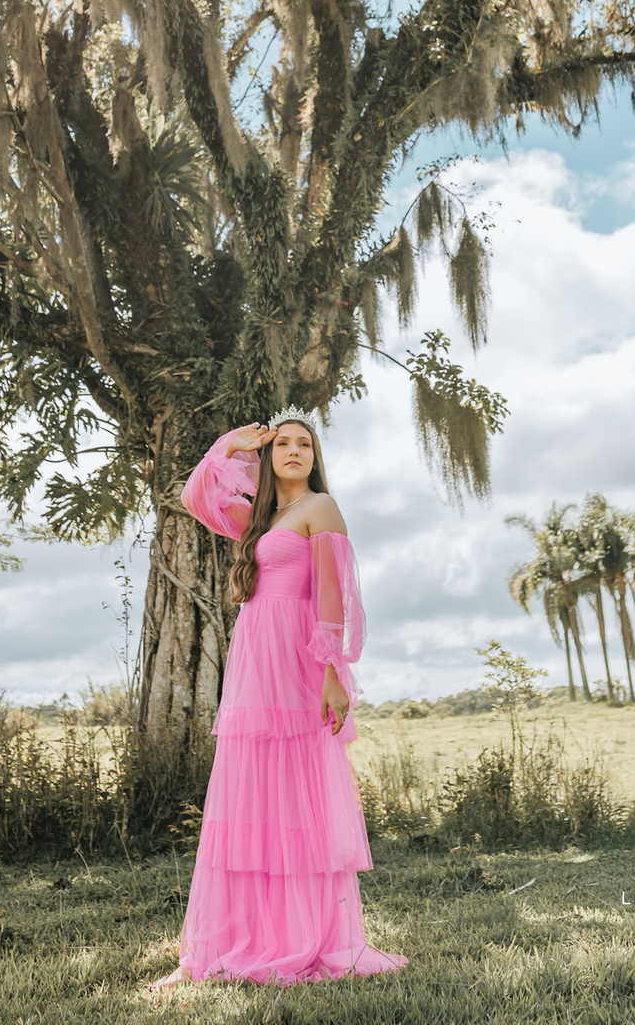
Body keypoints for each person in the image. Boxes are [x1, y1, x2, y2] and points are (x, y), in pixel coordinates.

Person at [151, 409, 407, 989]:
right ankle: (240, 937)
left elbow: (331, 596)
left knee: (298, 792)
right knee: (253, 790)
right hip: (254, 662)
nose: (293, 451)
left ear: (315, 458)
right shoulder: (261, 518)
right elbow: (197, 497)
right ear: (269, 455)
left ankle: (304, 935)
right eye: (283, 443)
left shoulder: (321, 507)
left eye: (304, 444)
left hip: (298, 660)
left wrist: (333, 673)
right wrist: (234, 444)